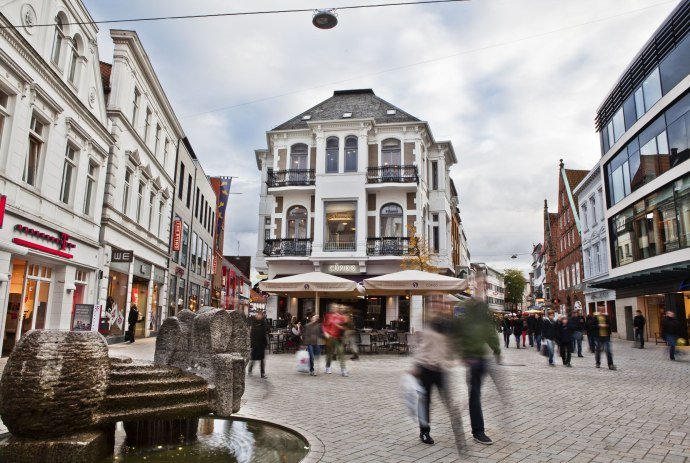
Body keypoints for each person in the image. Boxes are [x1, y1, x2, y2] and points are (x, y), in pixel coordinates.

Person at [450, 284, 501, 446]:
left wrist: (497, 350)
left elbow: (489, 331)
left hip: (484, 357)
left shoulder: (483, 309)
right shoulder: (461, 308)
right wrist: (462, 353)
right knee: (475, 394)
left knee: (483, 393)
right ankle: (478, 431)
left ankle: (475, 423)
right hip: (471, 358)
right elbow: (456, 332)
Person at [322, 305, 348, 376]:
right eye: (333, 307)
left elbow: (345, 327)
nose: (334, 308)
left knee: (341, 352)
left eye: (336, 307)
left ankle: (343, 370)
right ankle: (328, 367)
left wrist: (340, 326)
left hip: (338, 338)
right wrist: (325, 333)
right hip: (330, 337)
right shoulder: (328, 316)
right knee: (329, 354)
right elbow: (324, 325)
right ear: (331, 308)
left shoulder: (341, 317)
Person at [248, 311, 269, 378]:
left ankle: (262, 373)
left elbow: (264, 333)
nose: (259, 316)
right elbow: (251, 335)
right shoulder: (254, 323)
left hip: (261, 344)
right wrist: (252, 344)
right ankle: (250, 370)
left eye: (260, 315)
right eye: (258, 315)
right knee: (253, 359)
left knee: (262, 360)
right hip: (255, 344)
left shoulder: (263, 323)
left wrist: (265, 343)